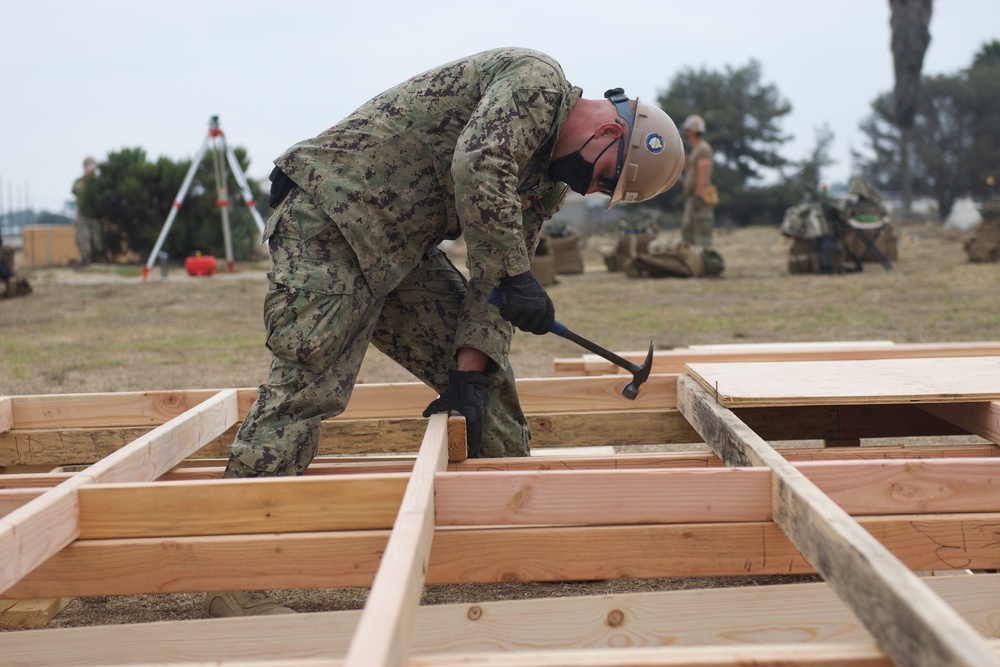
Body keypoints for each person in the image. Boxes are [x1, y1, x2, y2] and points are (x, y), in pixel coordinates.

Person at [203, 47, 683, 618]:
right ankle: (228, 581)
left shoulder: (546, 185)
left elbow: (494, 284)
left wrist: (467, 375)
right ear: (607, 130)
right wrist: (517, 275)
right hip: (331, 218)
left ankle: (518, 541)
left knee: (489, 390)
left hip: (399, 245)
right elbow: (479, 164)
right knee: (309, 388)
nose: (588, 191)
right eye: (603, 179)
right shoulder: (538, 81)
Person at [680, 114, 716, 249]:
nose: (686, 134)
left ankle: (704, 260)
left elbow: (703, 173)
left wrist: (697, 195)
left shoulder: (703, 149)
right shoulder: (696, 149)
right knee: (689, 230)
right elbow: (689, 169)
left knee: (701, 231)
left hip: (700, 196)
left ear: (692, 131)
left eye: (687, 131)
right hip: (695, 196)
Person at [72, 157, 103, 265]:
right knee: (84, 244)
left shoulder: (99, 182)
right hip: (82, 219)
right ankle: (85, 263)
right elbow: (76, 190)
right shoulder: (80, 182)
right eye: (88, 166)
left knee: (98, 244)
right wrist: (87, 180)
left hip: (96, 219)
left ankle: (97, 263)